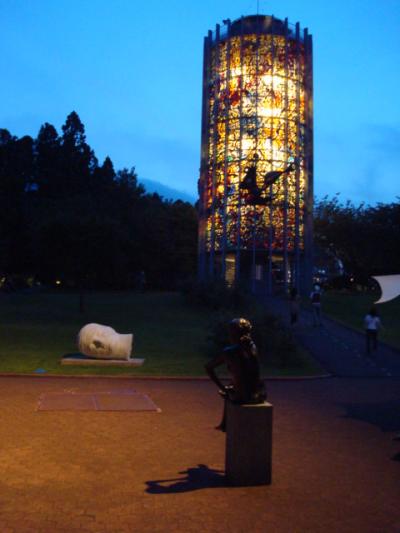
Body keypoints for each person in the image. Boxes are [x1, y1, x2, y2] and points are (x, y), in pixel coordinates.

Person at [205, 318, 266, 432]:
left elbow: (208, 367)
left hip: (243, 396)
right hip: (257, 392)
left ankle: (225, 424)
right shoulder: (253, 346)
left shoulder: (230, 351)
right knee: (231, 387)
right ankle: (224, 423)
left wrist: (221, 387)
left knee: (229, 391)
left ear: (234, 333)